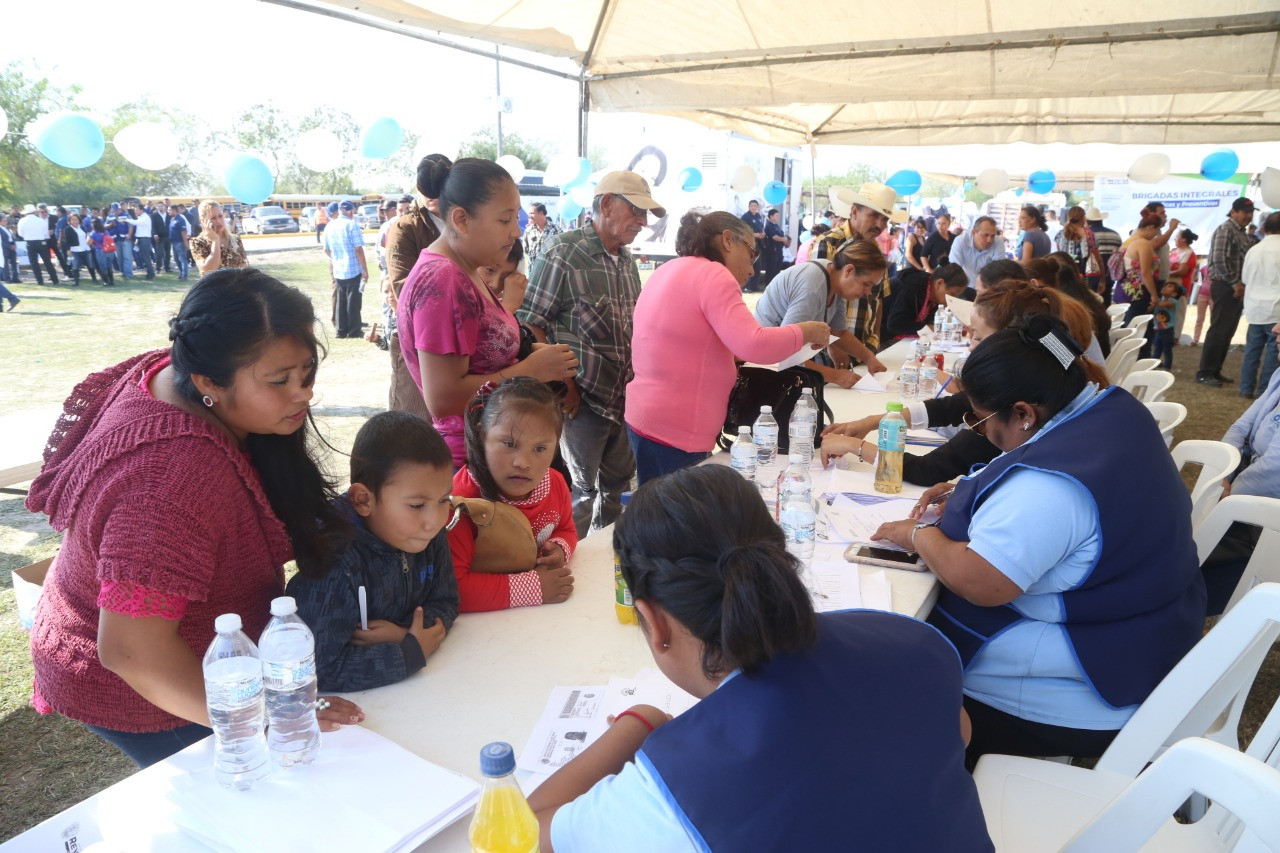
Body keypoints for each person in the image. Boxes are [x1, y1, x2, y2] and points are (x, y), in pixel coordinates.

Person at [526, 464, 993, 852]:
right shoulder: (911, 638)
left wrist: (639, 722)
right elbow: (960, 731)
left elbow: (524, 835)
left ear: (654, 621)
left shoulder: (677, 789)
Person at [24, 268, 364, 768]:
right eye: (279, 381)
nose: (303, 394)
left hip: (189, 652)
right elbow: (132, 651)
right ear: (208, 382)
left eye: (307, 372)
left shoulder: (181, 367)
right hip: (143, 684)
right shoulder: (173, 479)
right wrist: (271, 716)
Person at [870, 314, 1205, 766]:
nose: (981, 432)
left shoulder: (1051, 487)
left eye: (981, 420)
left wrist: (917, 534)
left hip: (1083, 686)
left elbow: (981, 582)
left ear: (1024, 413)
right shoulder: (1110, 410)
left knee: (887, 692)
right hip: (1147, 638)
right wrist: (974, 488)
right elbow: (1035, 475)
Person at [822, 277, 1109, 487]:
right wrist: (873, 421)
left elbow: (928, 470)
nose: (971, 346)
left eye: (979, 338)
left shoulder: (1014, 408)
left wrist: (854, 447)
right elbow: (955, 405)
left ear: (1007, 343)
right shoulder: (1050, 375)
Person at [625, 211, 830, 483]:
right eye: (752, 254)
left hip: (645, 417)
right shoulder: (714, 275)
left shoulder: (669, 268)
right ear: (727, 240)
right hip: (677, 431)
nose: (752, 270)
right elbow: (754, 344)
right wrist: (807, 331)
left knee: (653, 499)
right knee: (674, 507)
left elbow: (687, 342)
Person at [400, 157, 578, 467]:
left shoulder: (466, 269)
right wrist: (531, 370)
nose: (516, 232)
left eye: (516, 218)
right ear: (462, 220)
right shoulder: (443, 278)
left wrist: (524, 354)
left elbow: (480, 356)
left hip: (500, 447)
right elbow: (443, 399)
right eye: (505, 220)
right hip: (478, 458)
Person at [518, 171, 665, 537]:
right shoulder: (563, 252)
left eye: (646, 214)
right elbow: (531, 324)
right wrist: (565, 386)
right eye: (636, 211)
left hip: (623, 400)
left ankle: (608, 559)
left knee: (618, 488)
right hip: (581, 403)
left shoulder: (626, 260)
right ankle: (568, 558)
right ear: (606, 204)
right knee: (581, 493)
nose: (643, 222)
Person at [287, 412, 459, 692]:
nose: (435, 520)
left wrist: (406, 634)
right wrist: (409, 652)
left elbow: (446, 600)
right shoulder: (334, 563)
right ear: (363, 500)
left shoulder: (427, 533)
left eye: (443, 500)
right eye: (416, 505)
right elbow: (319, 667)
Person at [449, 378, 577, 611]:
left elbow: (566, 529)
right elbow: (452, 588)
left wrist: (559, 549)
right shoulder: (460, 504)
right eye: (509, 444)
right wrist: (534, 587)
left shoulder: (555, 483)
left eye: (540, 448)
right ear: (482, 435)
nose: (523, 463)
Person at [1203, 355, 1280, 612]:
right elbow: (1240, 428)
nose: (1276, 334)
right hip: (1249, 490)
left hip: (1267, 514)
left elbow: (1273, 470)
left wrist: (1228, 495)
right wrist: (1224, 475)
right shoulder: (1279, 375)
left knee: (1198, 552)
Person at [754, 236, 888, 385]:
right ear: (849, 270)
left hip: (781, 360)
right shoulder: (812, 287)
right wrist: (835, 376)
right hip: (764, 364)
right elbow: (786, 351)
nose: (868, 292)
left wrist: (869, 357)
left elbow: (839, 332)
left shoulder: (835, 281)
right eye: (866, 284)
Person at [385, 155, 451, 419]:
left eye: (439, 188)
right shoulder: (405, 227)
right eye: (428, 190)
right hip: (417, 337)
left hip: (461, 337)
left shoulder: (466, 220)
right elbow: (404, 289)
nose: (433, 196)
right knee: (413, 422)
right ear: (418, 188)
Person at [816, 183, 907, 354]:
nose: (879, 225)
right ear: (854, 211)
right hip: (830, 351)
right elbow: (817, 300)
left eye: (885, 219)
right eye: (874, 216)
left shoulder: (877, 251)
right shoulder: (829, 243)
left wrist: (875, 338)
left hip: (864, 348)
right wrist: (833, 346)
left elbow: (879, 298)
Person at [1198, 198, 1257, 387]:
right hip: (1226, 285)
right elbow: (1219, 260)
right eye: (1245, 212)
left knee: (1227, 331)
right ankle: (1205, 372)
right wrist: (1234, 283)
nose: (1249, 216)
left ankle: (1215, 370)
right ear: (1233, 212)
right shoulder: (1226, 229)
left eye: (1251, 212)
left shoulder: (1241, 232)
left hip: (1236, 286)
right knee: (1219, 330)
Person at [1031, 254, 1112, 358]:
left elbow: (1068, 359)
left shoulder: (1064, 311)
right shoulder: (1083, 299)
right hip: (1103, 358)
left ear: (1035, 283)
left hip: (1092, 362)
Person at [1239, 210, 1280, 399]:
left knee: (1252, 351)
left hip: (1255, 307)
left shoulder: (1254, 249)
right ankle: (1265, 392)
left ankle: (1246, 388)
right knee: (1274, 352)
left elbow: (1245, 278)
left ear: (1265, 228)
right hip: (1276, 308)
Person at [883, 262, 969, 342]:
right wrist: (929, 327)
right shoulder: (912, 287)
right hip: (883, 336)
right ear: (939, 283)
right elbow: (895, 324)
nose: (953, 299)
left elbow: (931, 321)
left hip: (897, 337)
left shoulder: (933, 294)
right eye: (952, 294)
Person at [1119, 212, 1164, 359]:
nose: (1157, 234)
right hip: (1140, 293)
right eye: (1157, 230)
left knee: (1130, 328)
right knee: (1141, 332)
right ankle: (1138, 362)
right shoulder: (1143, 243)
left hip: (1127, 291)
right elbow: (1145, 273)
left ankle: (1128, 361)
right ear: (1151, 227)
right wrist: (1154, 295)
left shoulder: (1128, 241)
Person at [321, 200, 367, 339]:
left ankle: (340, 330)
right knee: (353, 301)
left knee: (340, 301)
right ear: (351, 211)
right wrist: (364, 269)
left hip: (338, 269)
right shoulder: (352, 225)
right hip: (352, 268)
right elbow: (358, 249)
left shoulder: (329, 226)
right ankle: (354, 330)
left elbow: (326, 249)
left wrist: (335, 259)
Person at [189, 201, 247, 274]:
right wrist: (215, 241)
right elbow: (209, 269)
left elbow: (244, 267)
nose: (218, 221)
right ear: (204, 221)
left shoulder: (235, 239)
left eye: (220, 216)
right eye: (213, 218)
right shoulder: (198, 242)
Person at [948, 215, 1006, 287]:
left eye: (992, 236)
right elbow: (954, 270)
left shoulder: (998, 242)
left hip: (988, 286)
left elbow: (998, 271)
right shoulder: (960, 241)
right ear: (973, 232)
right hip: (965, 285)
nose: (989, 240)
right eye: (986, 235)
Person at [1053, 206, 1103, 282]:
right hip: (1084, 275)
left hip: (1064, 275)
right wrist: (1103, 280)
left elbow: (1060, 253)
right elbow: (1098, 258)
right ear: (1083, 218)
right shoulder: (1089, 235)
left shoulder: (1060, 234)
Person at [1170, 228, 1200, 343]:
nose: (1175, 239)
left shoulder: (1189, 254)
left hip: (1180, 286)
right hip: (1169, 284)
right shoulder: (1173, 250)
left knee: (1178, 311)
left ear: (1183, 239)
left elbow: (1182, 271)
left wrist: (1167, 273)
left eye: (1177, 236)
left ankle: (1175, 336)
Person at [18, 204, 60, 285]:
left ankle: (39, 281)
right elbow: (45, 233)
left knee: (34, 262)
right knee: (47, 261)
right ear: (34, 212)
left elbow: (20, 233)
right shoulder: (40, 220)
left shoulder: (22, 221)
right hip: (41, 242)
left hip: (30, 242)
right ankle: (55, 279)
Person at [1087, 207, 1122, 304]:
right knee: (1106, 302)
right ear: (1101, 220)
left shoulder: (1088, 234)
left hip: (1092, 275)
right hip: (1110, 275)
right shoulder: (1115, 234)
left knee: (1091, 303)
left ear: (1087, 221)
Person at [1151, 282, 1184, 371]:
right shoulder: (1160, 300)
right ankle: (1152, 365)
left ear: (1174, 294)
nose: (1165, 287)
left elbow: (1165, 304)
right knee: (1157, 350)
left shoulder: (1174, 302)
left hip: (1167, 332)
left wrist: (1154, 300)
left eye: (1169, 286)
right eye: (1165, 285)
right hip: (1157, 330)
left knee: (1167, 350)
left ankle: (1167, 367)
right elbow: (1151, 308)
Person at [58, 212, 94, 285]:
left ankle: (94, 279)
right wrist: (68, 249)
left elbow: (87, 236)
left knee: (90, 265)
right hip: (75, 249)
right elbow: (67, 240)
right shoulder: (68, 229)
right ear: (70, 221)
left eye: (76, 219)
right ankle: (76, 281)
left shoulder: (82, 227)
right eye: (73, 220)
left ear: (79, 220)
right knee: (75, 266)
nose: (75, 221)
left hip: (85, 248)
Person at [739, 199, 766, 291]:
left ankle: (753, 286)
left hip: (757, 245)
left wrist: (762, 234)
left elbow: (761, 228)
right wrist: (755, 235)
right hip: (748, 246)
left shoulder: (758, 216)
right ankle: (745, 286)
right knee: (749, 266)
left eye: (755, 206)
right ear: (749, 207)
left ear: (757, 207)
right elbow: (742, 232)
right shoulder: (745, 217)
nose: (754, 207)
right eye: (752, 206)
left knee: (757, 267)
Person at [761, 208, 789, 283]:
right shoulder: (768, 226)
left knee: (777, 269)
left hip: (779, 250)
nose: (777, 217)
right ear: (771, 216)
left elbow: (781, 235)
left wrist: (786, 239)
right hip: (772, 251)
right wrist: (783, 239)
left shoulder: (777, 226)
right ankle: (769, 284)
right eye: (776, 215)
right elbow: (774, 237)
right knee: (771, 270)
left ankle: (775, 285)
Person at [87, 219, 116, 286]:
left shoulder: (93, 234)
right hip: (110, 251)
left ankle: (106, 281)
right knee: (109, 266)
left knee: (103, 267)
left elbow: (89, 243)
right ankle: (111, 281)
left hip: (100, 251)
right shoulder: (106, 232)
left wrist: (88, 235)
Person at [167, 204, 191, 281]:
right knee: (176, 259)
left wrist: (186, 243)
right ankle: (181, 273)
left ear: (175, 210)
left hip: (180, 242)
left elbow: (184, 232)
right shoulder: (172, 219)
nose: (168, 211)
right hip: (173, 242)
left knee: (182, 259)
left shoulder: (180, 219)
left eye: (170, 210)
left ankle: (185, 276)